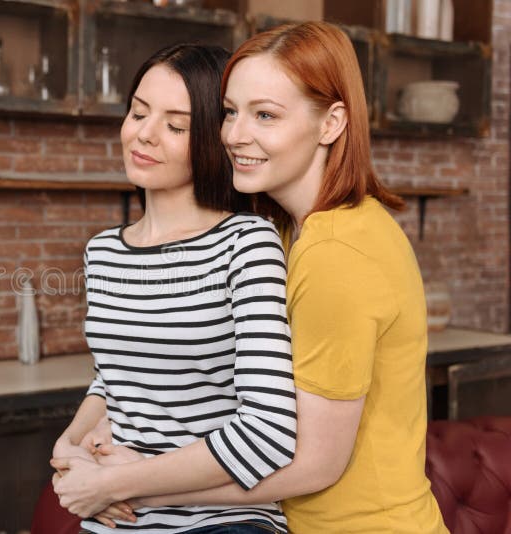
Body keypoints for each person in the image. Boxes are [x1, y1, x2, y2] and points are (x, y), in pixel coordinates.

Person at [85, 21, 446, 533]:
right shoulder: (288, 232)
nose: (235, 135)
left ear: (331, 124)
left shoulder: (337, 253)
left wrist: (130, 484)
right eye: (230, 112)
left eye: (266, 116)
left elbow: (315, 463)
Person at [50, 43, 297, 533]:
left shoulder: (246, 244)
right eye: (139, 112)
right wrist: (66, 447)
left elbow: (269, 431)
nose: (144, 133)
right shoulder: (103, 253)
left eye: (175, 125)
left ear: (210, 139)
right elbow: (114, 380)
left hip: (224, 521)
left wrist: (119, 483)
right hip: (116, 520)